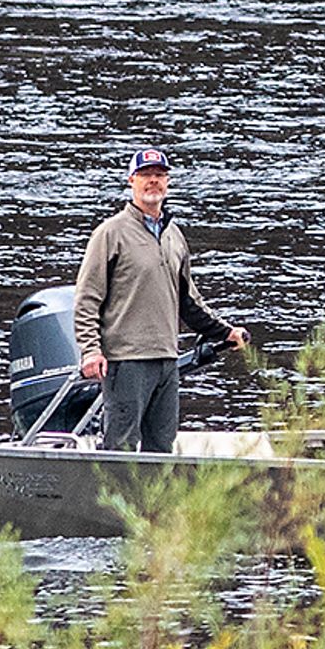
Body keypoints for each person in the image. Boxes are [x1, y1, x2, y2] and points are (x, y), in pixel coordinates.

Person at [73, 147, 249, 455]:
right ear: (131, 181)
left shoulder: (174, 236)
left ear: (167, 182)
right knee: (121, 447)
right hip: (126, 361)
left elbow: (187, 300)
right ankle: (112, 504)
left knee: (161, 448)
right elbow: (87, 299)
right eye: (145, 176)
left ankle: (150, 506)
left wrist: (225, 333)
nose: (152, 182)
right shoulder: (110, 233)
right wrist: (91, 351)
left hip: (167, 360)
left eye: (159, 176)